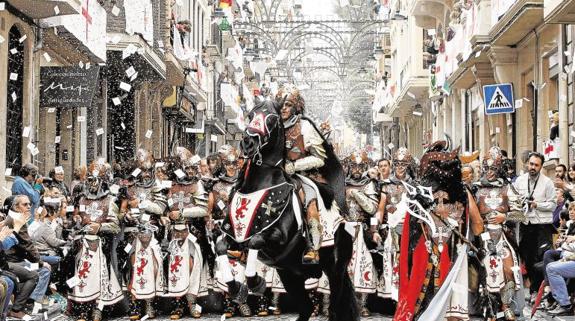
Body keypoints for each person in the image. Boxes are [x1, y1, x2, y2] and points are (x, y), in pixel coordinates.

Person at [67, 161, 123, 321]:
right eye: (90, 180)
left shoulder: (110, 200)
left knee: (99, 276)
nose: (92, 183)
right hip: (82, 244)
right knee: (82, 274)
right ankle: (83, 307)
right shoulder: (81, 199)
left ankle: (99, 307)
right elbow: (74, 220)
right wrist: (76, 219)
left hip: (101, 244)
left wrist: (99, 227)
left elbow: (114, 226)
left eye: (95, 180)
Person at [473, 147, 521, 320]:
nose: (490, 172)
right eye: (487, 168)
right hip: (482, 235)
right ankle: (489, 309)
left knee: (508, 268)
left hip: (503, 234)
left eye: (494, 168)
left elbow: (521, 213)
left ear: (500, 169)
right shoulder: (476, 189)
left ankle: (506, 305)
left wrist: (504, 216)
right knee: (486, 271)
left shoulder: (508, 188)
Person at [167, 147, 211, 319]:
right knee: (175, 268)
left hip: (191, 231)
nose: (192, 171)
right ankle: (177, 305)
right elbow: (163, 206)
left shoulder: (197, 185)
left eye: (193, 168)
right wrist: (165, 216)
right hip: (174, 233)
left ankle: (192, 303)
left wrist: (183, 213)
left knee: (192, 267)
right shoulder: (171, 184)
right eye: (188, 168)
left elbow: (203, 209)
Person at [512, 152, 556, 298]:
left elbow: (553, 204)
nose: (533, 167)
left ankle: (539, 291)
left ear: (541, 167)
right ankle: (533, 290)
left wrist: (537, 205)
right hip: (526, 223)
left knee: (542, 259)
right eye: (531, 164)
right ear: (527, 164)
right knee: (528, 259)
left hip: (542, 225)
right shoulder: (520, 181)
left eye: (536, 165)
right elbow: (514, 200)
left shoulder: (547, 182)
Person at [344, 152, 378, 316]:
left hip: (362, 228)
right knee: (342, 266)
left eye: (360, 166)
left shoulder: (368, 184)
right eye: (354, 166)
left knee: (364, 264)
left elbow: (372, 209)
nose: (357, 170)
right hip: (344, 228)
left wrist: (356, 194)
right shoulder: (342, 183)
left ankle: (363, 304)